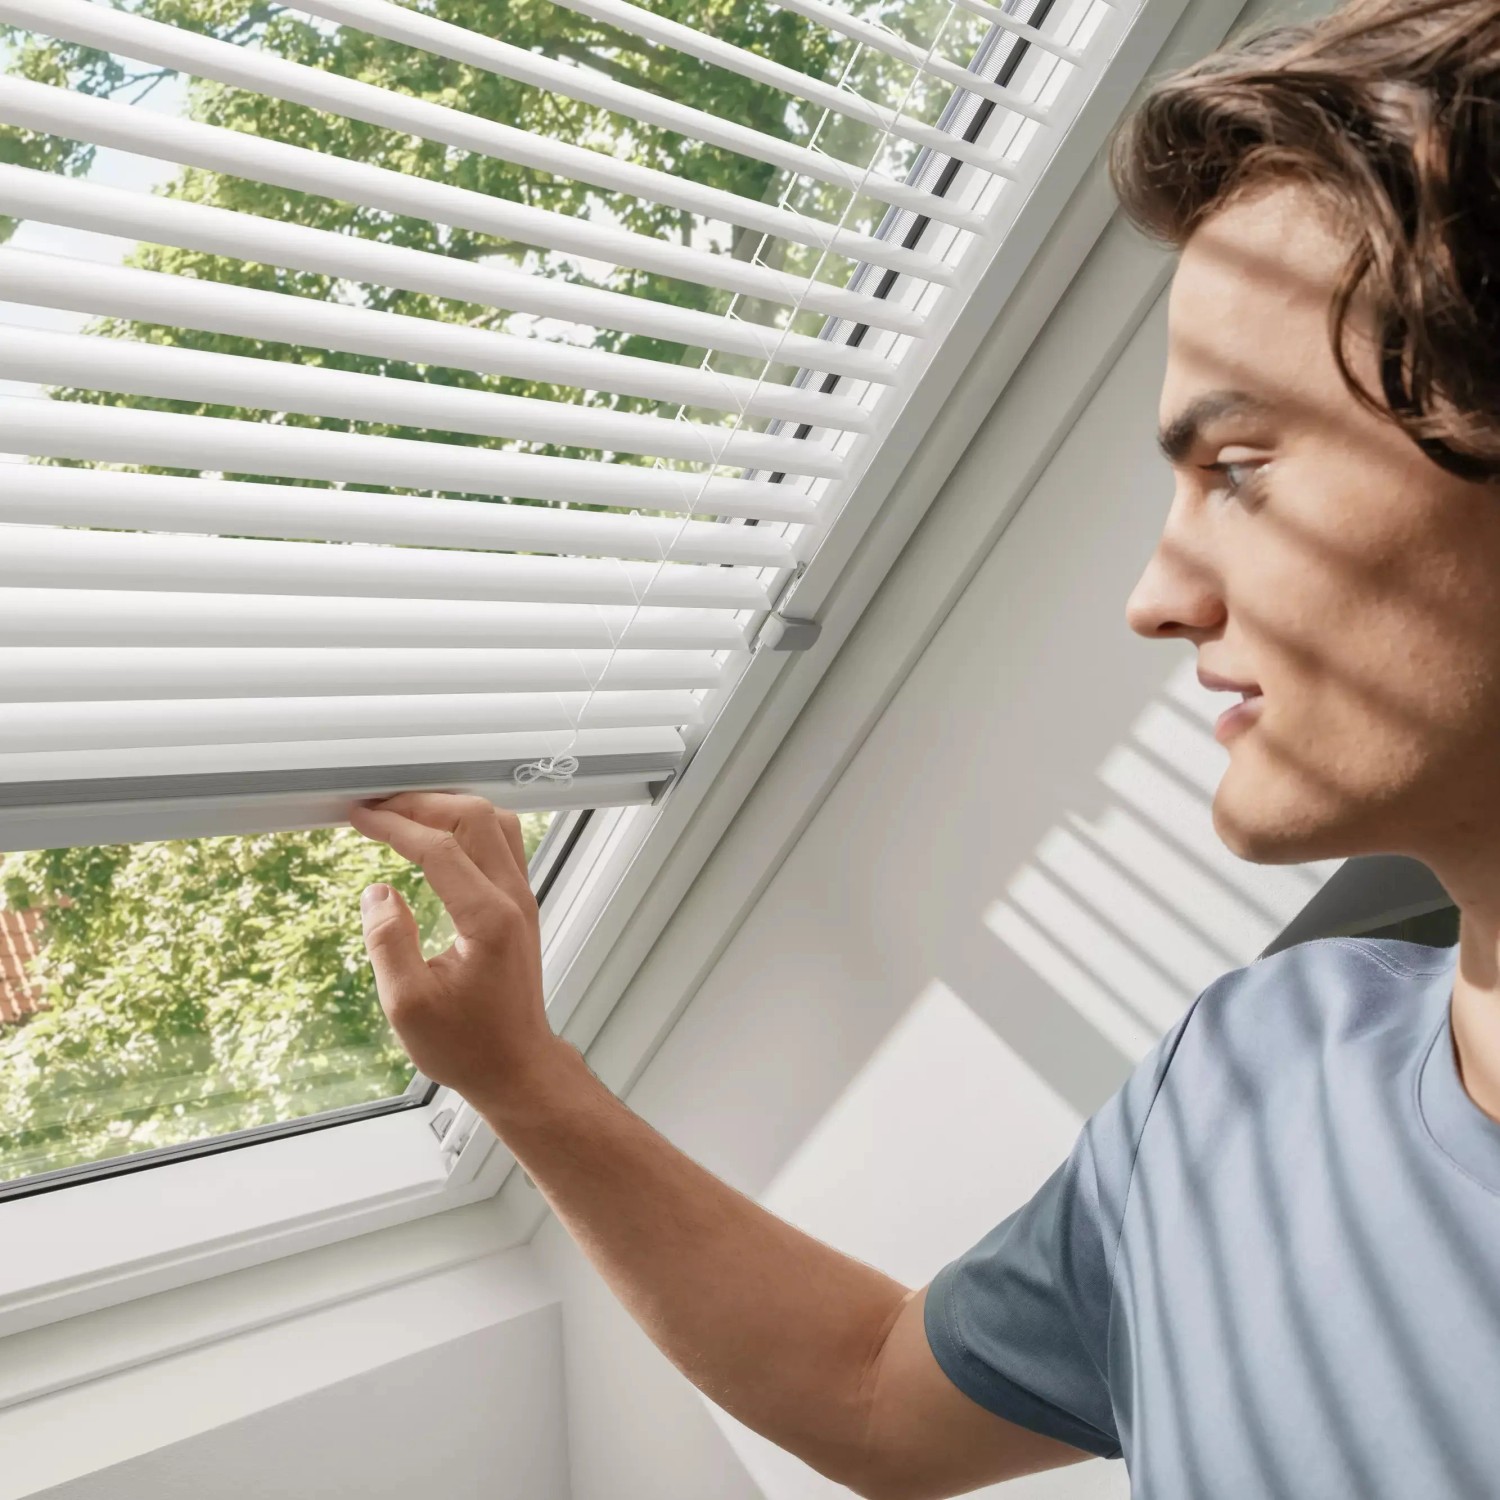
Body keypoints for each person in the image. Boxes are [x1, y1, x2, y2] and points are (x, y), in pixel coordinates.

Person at [348, 1, 1500, 1493]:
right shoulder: (1242, 1071)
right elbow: (879, 1392)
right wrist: (520, 1075)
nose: (1156, 599)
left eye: (1244, 468)